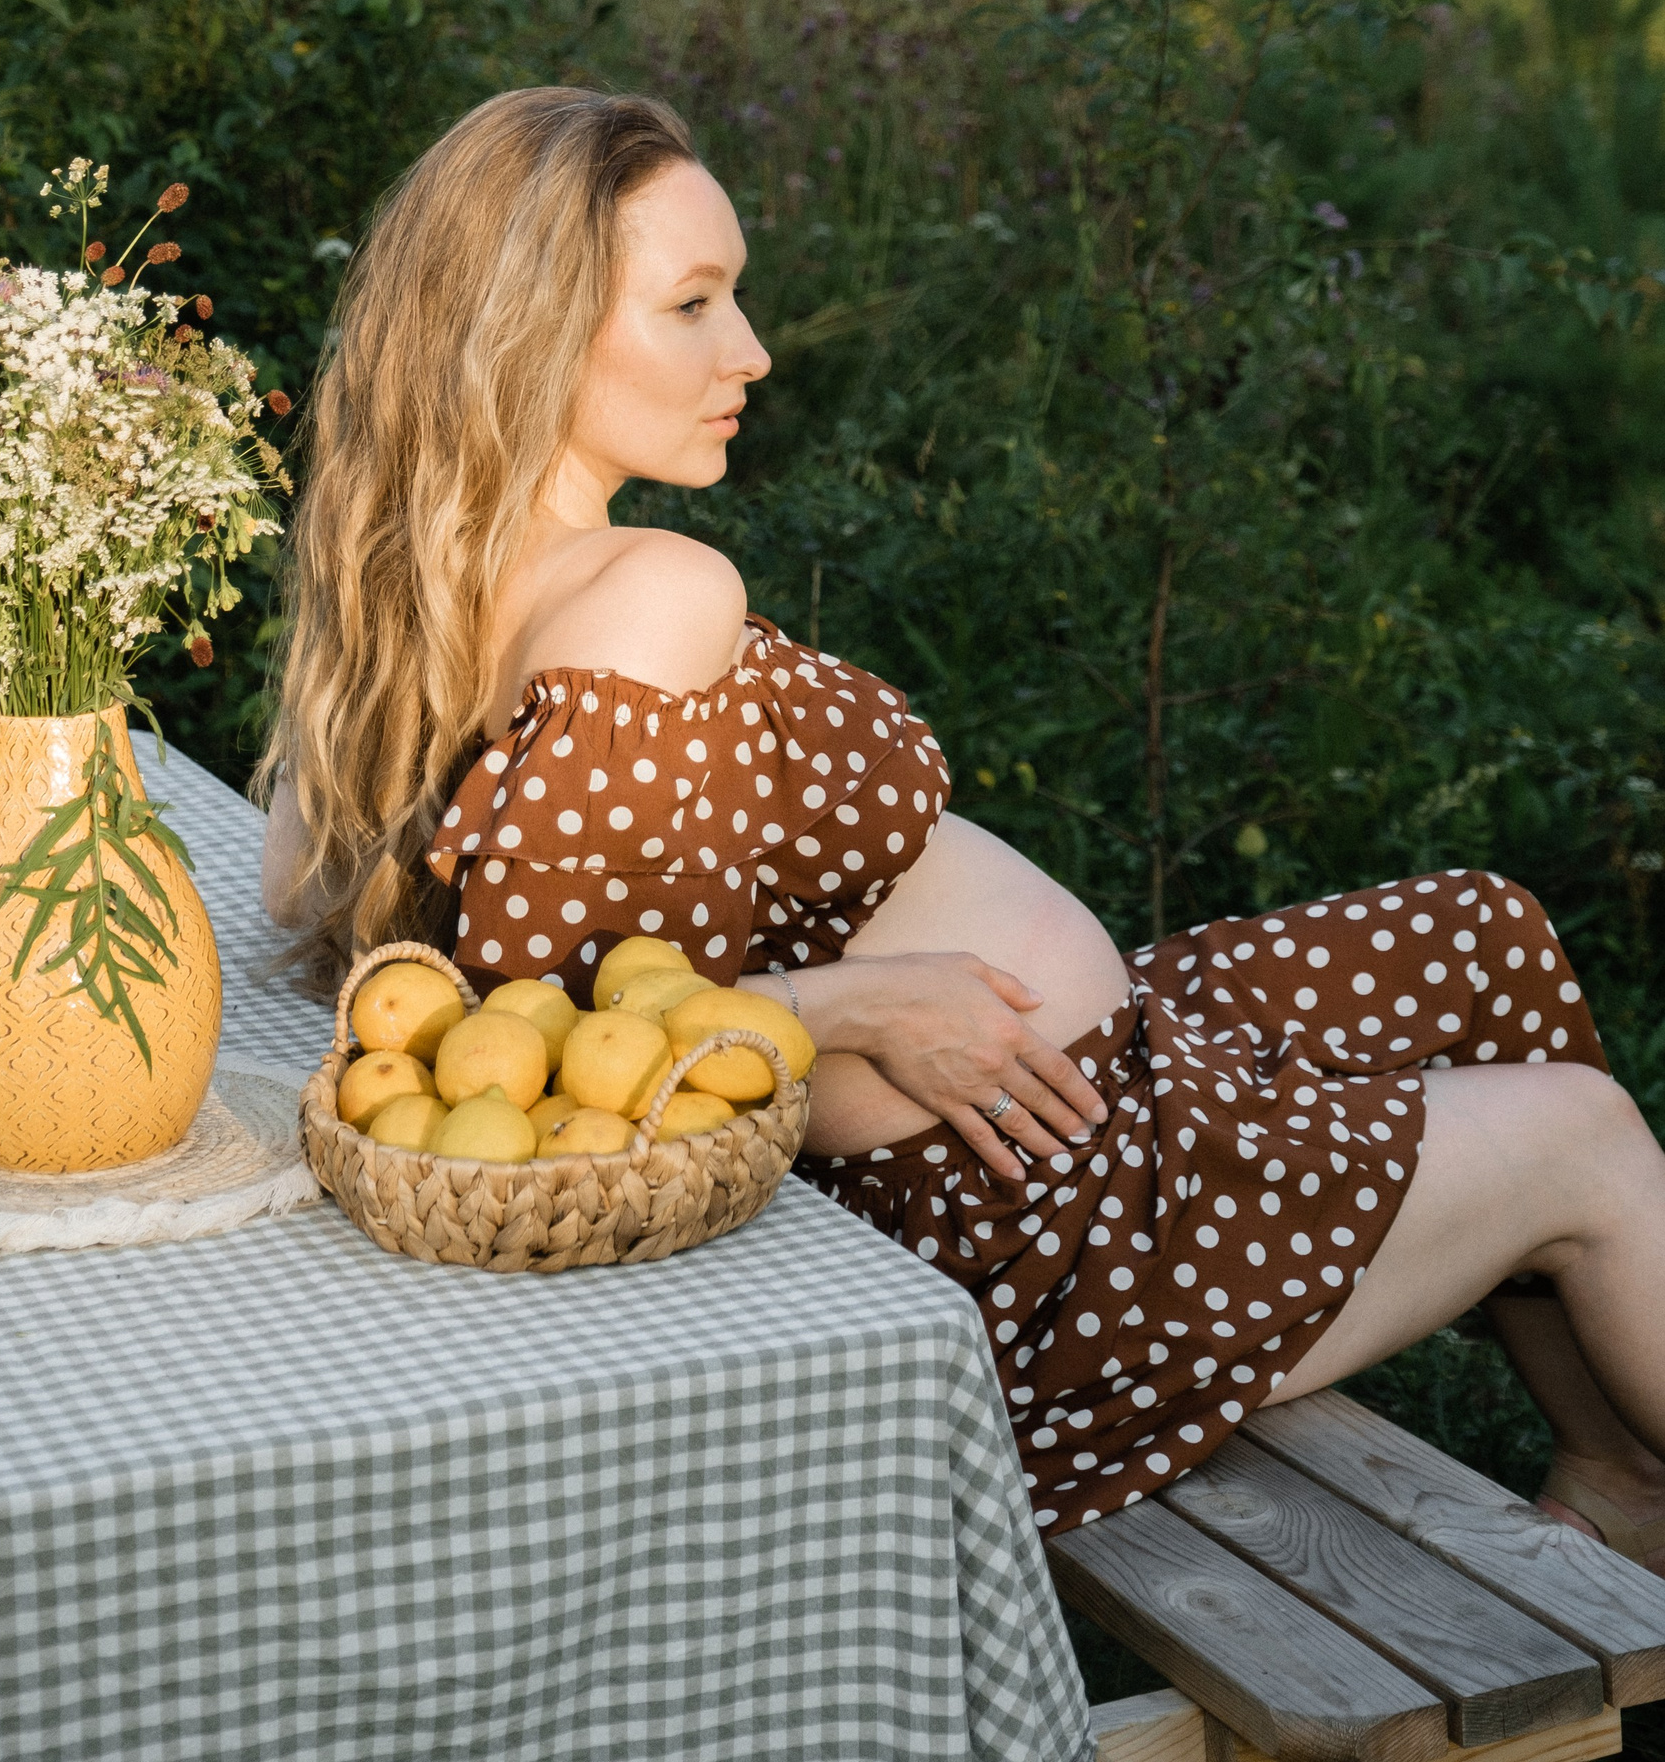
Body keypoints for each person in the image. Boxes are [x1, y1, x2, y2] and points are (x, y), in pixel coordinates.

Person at [260, 85, 1665, 1561]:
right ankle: (1614, 1443)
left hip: (1049, 1108)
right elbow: (552, 1048)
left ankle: (1612, 1472)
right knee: (1584, 1140)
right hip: (1033, 1226)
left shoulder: (404, 614)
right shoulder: (653, 592)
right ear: (526, 335)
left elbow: (334, 905)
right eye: (692, 304)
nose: (752, 350)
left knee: (1482, 936)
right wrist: (865, 1005)